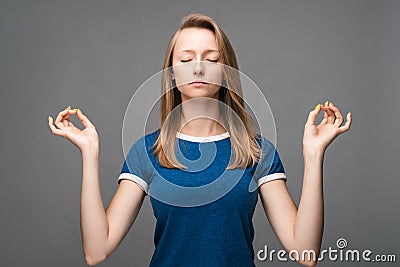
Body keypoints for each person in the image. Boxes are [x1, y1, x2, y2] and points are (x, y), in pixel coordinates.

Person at [47, 13, 352, 267]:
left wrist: (314, 156)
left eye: (211, 58)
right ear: (171, 74)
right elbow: (96, 251)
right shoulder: (149, 152)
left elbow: (306, 252)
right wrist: (90, 153)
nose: (198, 66)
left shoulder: (257, 152)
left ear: (226, 71)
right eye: (186, 58)